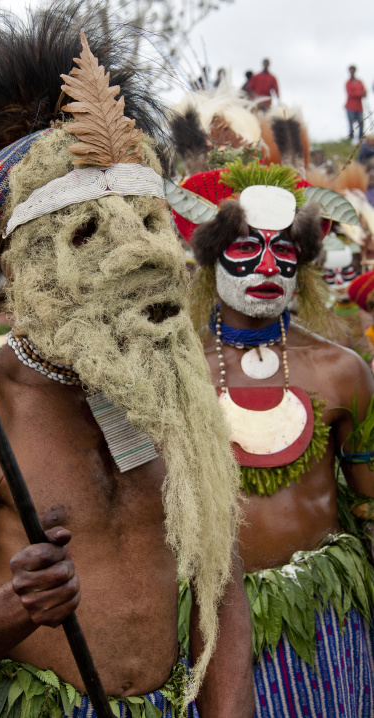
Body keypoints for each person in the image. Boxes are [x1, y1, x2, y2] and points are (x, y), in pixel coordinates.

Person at [0, 10, 253, 718]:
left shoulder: (172, 391)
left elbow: (218, 584)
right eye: (86, 234)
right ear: (24, 267)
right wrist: (14, 608)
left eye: (144, 225)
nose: (133, 260)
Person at [170, 160, 374, 716]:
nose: (267, 266)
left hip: (323, 615)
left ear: (303, 261)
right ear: (209, 254)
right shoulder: (173, 372)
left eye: (283, 249)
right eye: (245, 248)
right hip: (204, 616)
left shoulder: (342, 370)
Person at [345, 65, 366, 141]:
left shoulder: (360, 82)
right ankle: (351, 139)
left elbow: (364, 91)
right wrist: (360, 94)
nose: (352, 72)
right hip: (350, 107)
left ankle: (361, 138)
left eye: (353, 70)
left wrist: (364, 93)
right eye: (350, 70)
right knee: (351, 124)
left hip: (359, 107)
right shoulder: (348, 83)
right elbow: (351, 94)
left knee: (361, 123)